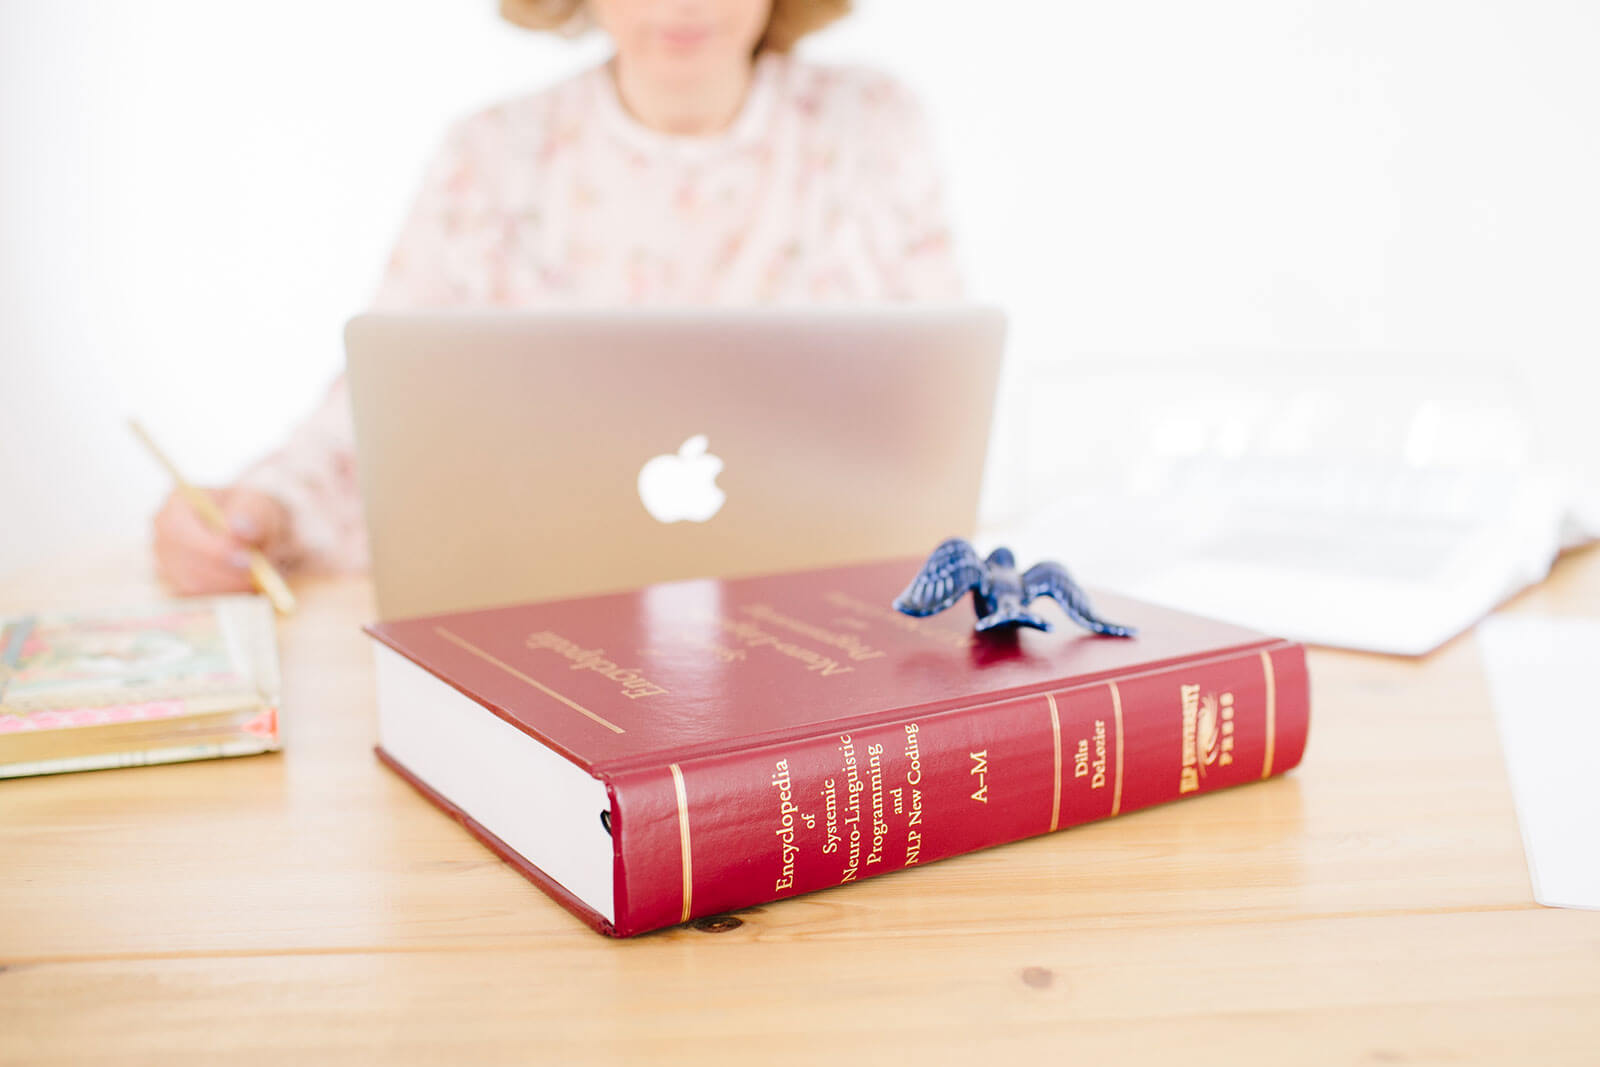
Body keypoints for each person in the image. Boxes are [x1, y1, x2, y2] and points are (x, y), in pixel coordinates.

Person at [152, 0, 963, 595]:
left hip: (821, 618)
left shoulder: (872, 128)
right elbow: (383, 417)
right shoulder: (490, 155)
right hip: (544, 616)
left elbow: (940, 419)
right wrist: (267, 511)